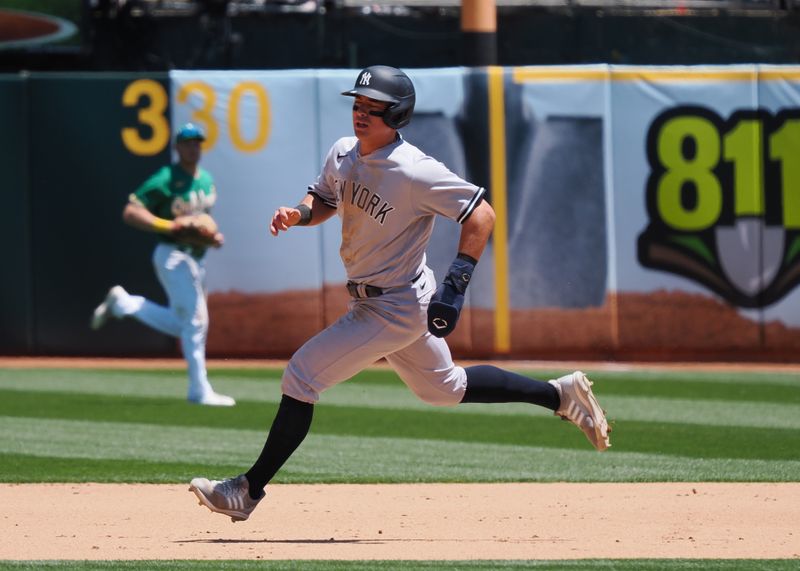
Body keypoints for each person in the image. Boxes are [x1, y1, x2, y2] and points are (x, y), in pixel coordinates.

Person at [189, 65, 610, 521]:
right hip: (377, 298)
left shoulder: (415, 170)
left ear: (399, 115)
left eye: (374, 108)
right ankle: (560, 395)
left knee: (301, 376)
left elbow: (481, 215)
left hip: (395, 305)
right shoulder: (344, 153)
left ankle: (248, 491)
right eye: (358, 105)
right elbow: (326, 197)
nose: (361, 115)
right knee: (444, 389)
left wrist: (457, 283)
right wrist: (299, 214)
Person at [90, 122, 235, 407]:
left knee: (188, 324)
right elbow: (131, 211)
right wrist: (168, 225)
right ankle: (198, 390)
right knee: (195, 323)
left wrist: (213, 238)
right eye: (188, 142)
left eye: (197, 142)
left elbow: (201, 225)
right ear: (177, 147)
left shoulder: (206, 179)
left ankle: (123, 304)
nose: (194, 147)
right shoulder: (165, 178)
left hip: (195, 258)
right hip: (172, 254)